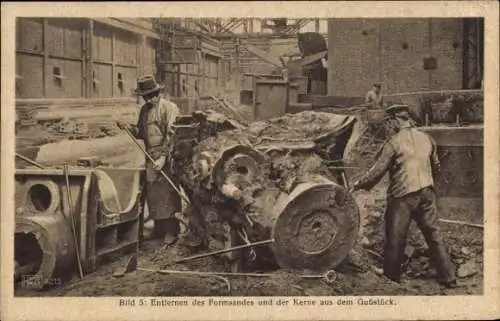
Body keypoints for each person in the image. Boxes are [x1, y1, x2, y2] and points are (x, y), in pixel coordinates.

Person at [349, 104, 457, 288]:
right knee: (433, 234)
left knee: (396, 237)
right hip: (427, 193)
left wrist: (359, 184)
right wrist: (426, 181)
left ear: (396, 121)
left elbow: (378, 171)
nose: (389, 127)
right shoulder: (427, 138)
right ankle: (449, 277)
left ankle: (391, 279)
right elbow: (436, 166)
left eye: (390, 123)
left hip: (403, 196)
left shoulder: (394, 142)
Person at [117, 75, 181, 246]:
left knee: (167, 194)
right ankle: (160, 229)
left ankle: (172, 231)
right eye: (147, 96)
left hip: (168, 157)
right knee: (154, 195)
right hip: (151, 156)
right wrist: (129, 127)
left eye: (153, 94)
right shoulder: (144, 110)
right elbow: (141, 133)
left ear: (158, 92)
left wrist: (163, 158)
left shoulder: (169, 108)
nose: (151, 98)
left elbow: (173, 135)